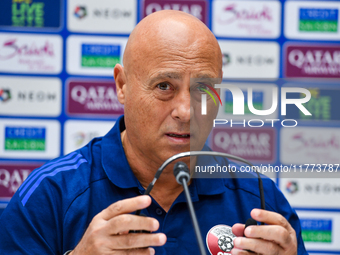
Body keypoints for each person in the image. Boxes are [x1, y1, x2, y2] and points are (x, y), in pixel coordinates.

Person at [0, 10, 307, 255]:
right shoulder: (52, 193)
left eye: (203, 88)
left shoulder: (260, 201)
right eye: (164, 87)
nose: (186, 111)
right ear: (122, 86)